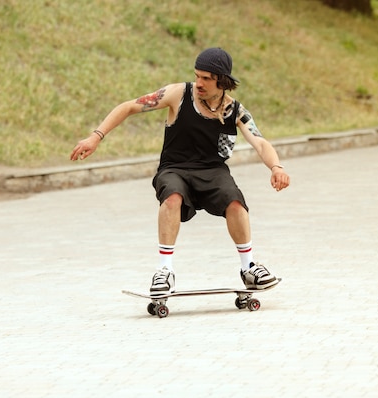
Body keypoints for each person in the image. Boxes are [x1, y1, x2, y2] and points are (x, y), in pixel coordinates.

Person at [70, 47, 290, 296]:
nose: (199, 83)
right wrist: (96, 136)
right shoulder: (179, 94)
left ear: (223, 81)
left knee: (236, 203)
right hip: (174, 169)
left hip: (212, 171)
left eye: (206, 78)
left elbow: (260, 142)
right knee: (172, 197)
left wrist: (276, 166)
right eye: (197, 76)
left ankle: (249, 267)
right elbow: (129, 106)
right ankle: (164, 270)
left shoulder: (234, 111)